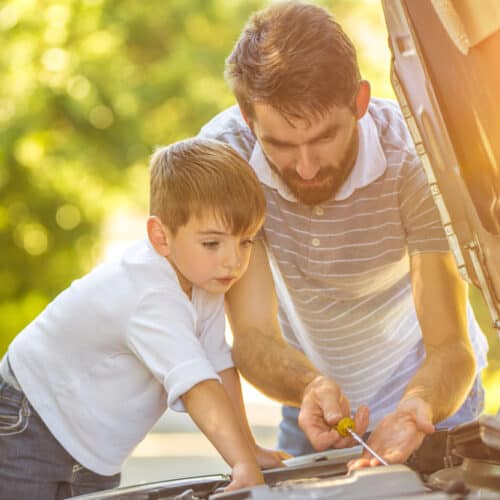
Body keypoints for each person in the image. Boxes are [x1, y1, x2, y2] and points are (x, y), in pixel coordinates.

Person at [198, 0, 488, 468]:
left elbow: (449, 347)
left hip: (429, 400)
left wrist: (417, 409)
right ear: (247, 115)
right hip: (311, 401)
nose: (306, 167)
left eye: (324, 138)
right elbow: (252, 335)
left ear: (359, 101)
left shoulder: (413, 161)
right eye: (281, 145)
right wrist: (311, 387)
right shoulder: (225, 161)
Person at [0, 138, 286, 500]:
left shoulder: (205, 281)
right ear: (160, 237)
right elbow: (198, 386)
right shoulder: (149, 292)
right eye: (213, 243)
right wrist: (242, 465)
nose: (233, 260)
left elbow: (218, 367)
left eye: (245, 241)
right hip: (29, 416)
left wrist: (247, 452)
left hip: (94, 449)